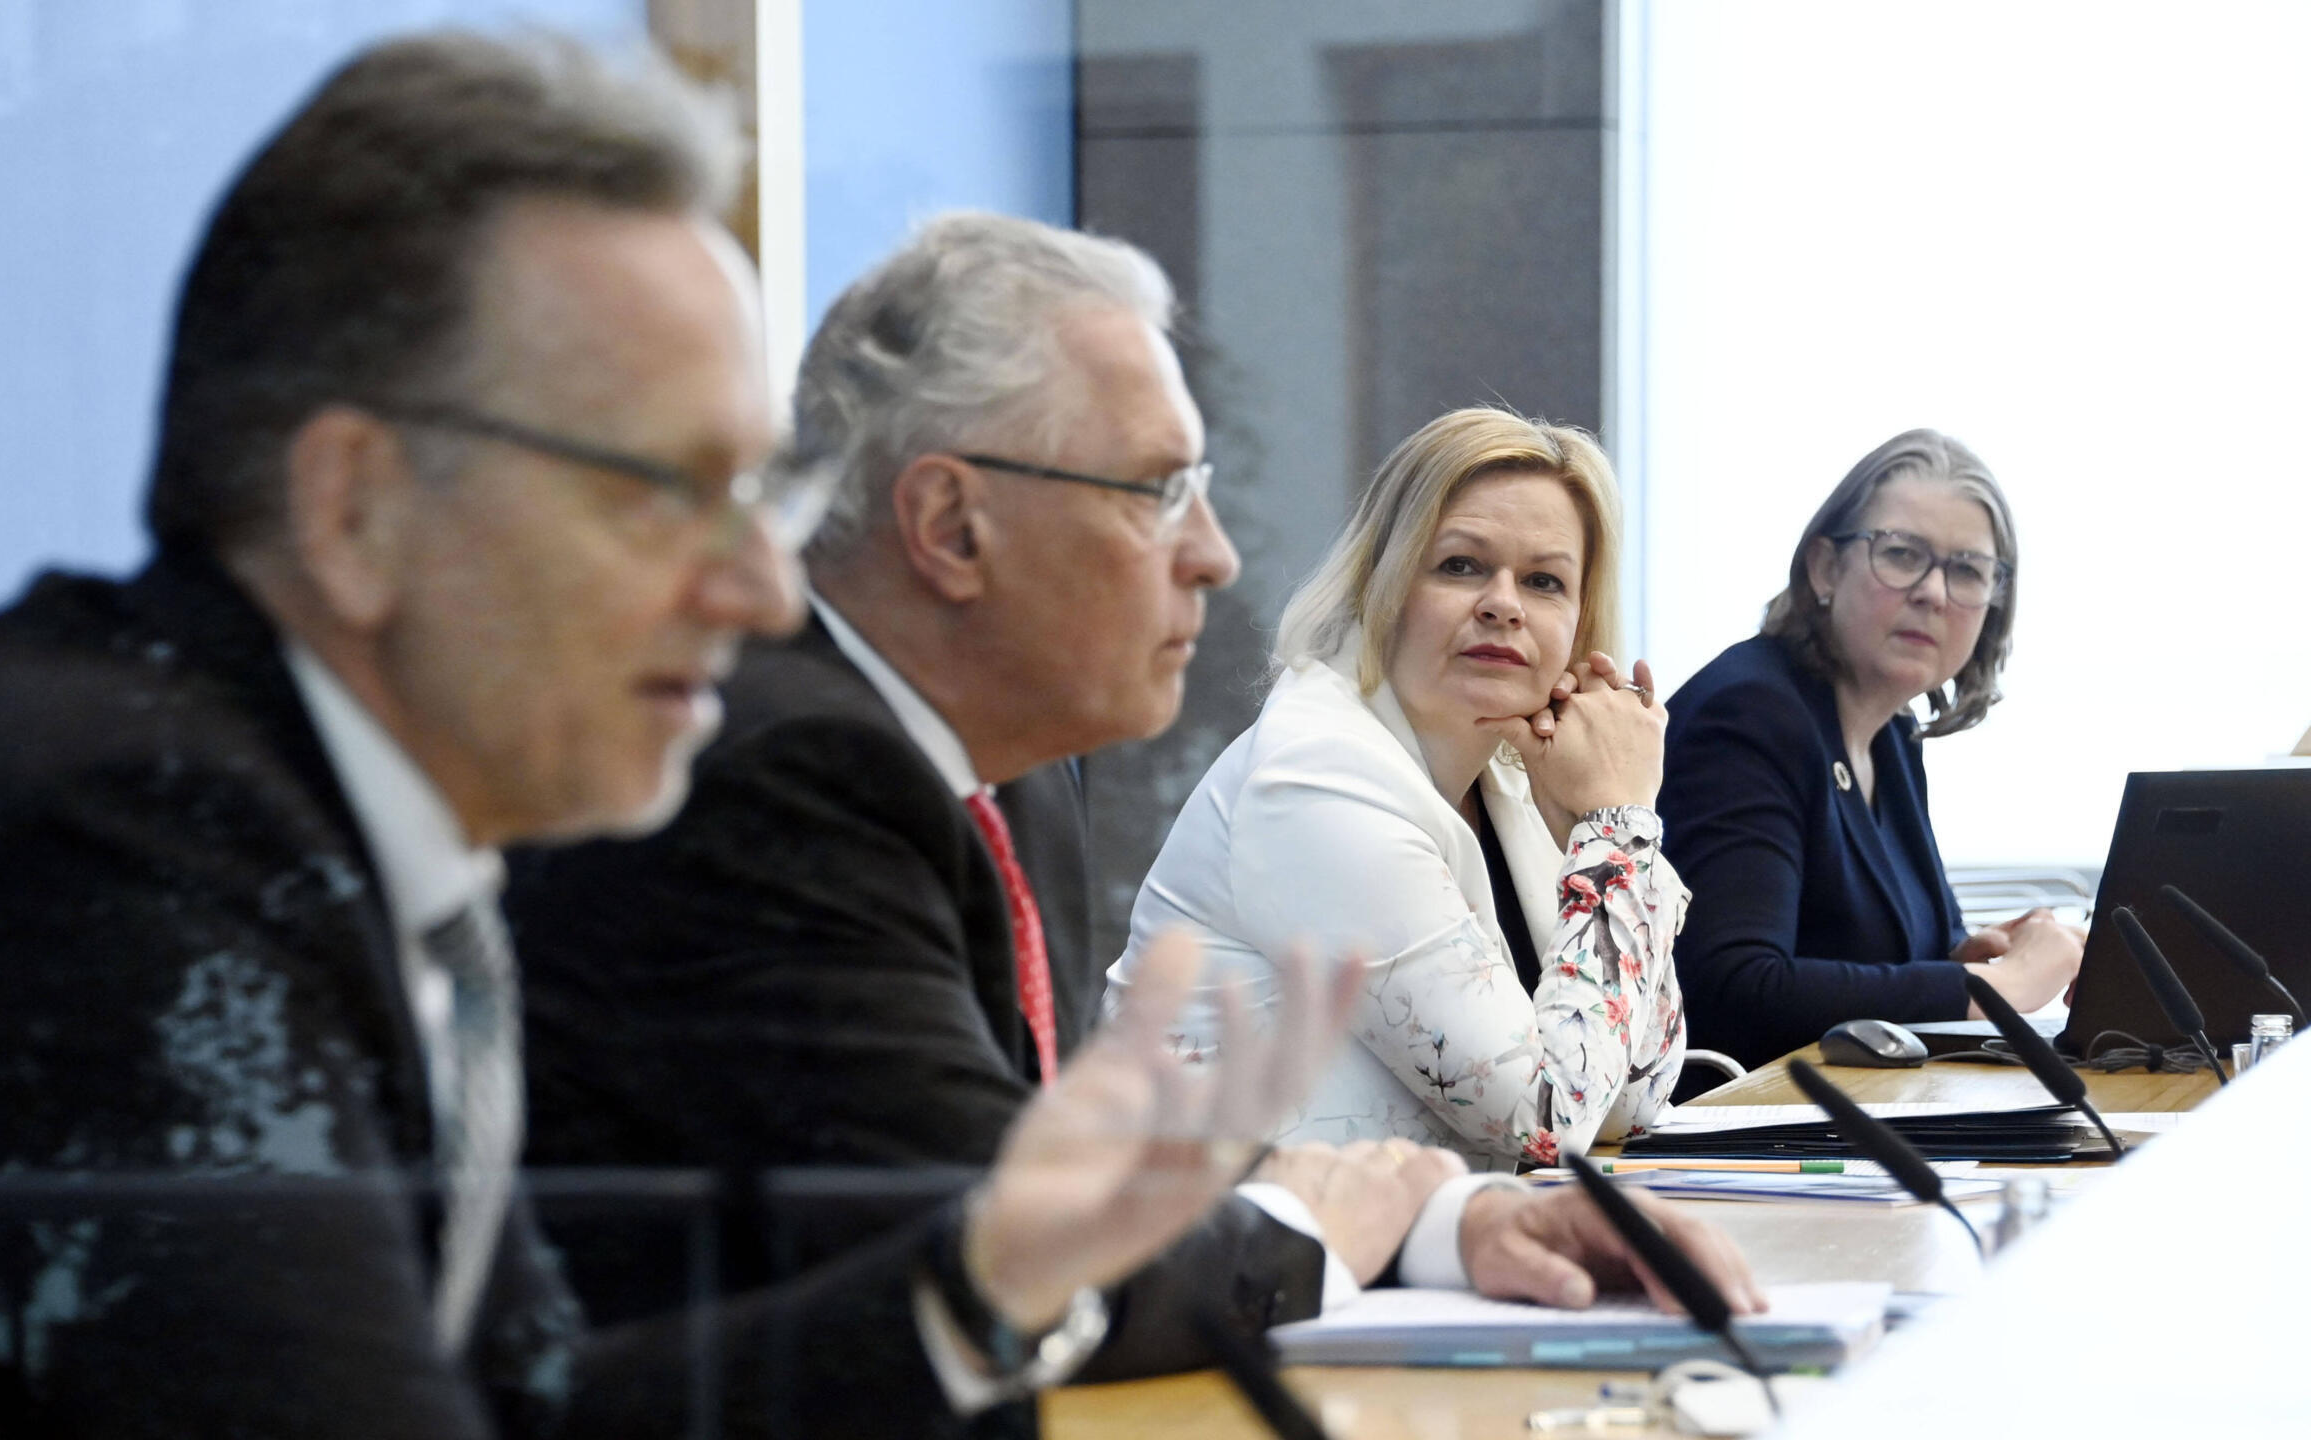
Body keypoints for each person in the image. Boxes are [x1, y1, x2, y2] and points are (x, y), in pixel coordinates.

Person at [0, 34, 1361, 1437]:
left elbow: (521, 1409)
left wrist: (986, 1278)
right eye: (665, 492)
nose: (753, 588)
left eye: (763, 492)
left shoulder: (344, 818)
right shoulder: (102, 847)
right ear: (357, 507)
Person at [506, 236, 1759, 1365]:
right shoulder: (793, 776)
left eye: (1545, 583)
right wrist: (1342, 1226)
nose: (1213, 554)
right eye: (1158, 491)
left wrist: (1444, 1218)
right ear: (950, 524)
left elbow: (1042, 1183)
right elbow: (1004, 1249)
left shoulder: (1012, 782)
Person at [1117, 406, 1689, 1170]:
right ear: (1381, 584)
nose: (1503, 602)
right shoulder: (1316, 779)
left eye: (1545, 581)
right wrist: (1620, 830)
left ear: (1580, 628)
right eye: (1460, 566)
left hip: (1406, 1247)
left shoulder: (1508, 780)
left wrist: (1588, 831)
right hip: (1225, 1259)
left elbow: (1632, 1098)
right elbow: (1545, 1124)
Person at [1657, 428, 2083, 1070]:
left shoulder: (1892, 737)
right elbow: (1736, 988)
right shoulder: (1749, 713)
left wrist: (1970, 959)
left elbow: (1894, 953)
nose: (1934, 592)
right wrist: (1992, 990)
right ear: (1825, 568)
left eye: (1967, 570)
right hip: (1746, 1145)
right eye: (1903, 554)